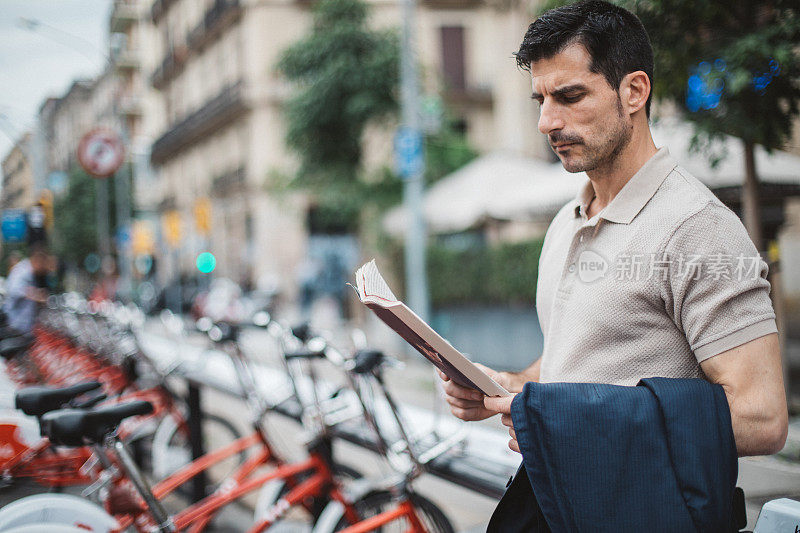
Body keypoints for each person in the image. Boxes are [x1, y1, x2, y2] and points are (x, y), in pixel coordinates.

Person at [440, 0, 787, 460]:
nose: (547, 122)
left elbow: (761, 418)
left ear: (634, 92)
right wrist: (512, 385)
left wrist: (573, 423)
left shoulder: (699, 228)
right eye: (540, 100)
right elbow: (581, 362)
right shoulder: (566, 221)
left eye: (569, 96)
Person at [2, 246, 51, 334]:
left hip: (24, 325)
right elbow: (14, 290)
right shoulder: (23, 271)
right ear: (38, 260)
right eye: (44, 263)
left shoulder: (30, 272)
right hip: (17, 324)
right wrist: (36, 295)